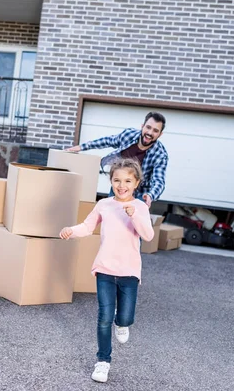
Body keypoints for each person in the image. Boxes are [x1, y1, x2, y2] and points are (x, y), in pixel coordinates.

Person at [59, 159, 154, 383]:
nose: (122, 185)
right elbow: (87, 227)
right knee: (103, 317)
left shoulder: (140, 207)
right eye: (117, 180)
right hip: (105, 269)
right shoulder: (104, 205)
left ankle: (122, 323)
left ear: (136, 183)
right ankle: (103, 362)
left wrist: (134, 215)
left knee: (125, 316)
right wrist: (70, 231)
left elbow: (148, 236)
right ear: (111, 181)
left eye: (128, 181)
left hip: (129, 272)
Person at [66, 112, 168, 207]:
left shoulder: (160, 154)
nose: (150, 133)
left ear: (160, 134)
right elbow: (107, 141)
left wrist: (150, 196)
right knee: (111, 218)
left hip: (140, 194)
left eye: (155, 131)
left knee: (132, 224)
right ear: (142, 126)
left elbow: (159, 181)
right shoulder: (129, 135)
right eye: (148, 127)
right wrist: (82, 147)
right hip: (118, 187)